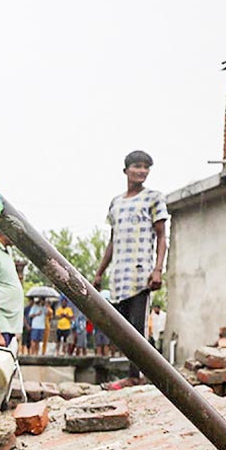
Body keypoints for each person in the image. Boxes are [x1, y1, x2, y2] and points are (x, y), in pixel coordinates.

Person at [93, 150, 170, 352]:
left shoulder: (153, 198)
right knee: (121, 330)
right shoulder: (116, 203)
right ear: (126, 170)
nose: (142, 171)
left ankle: (137, 374)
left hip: (140, 275)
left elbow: (162, 236)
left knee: (138, 329)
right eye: (137, 166)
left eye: (146, 167)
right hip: (119, 276)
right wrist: (99, 272)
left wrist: (158, 269)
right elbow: (112, 240)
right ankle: (128, 372)